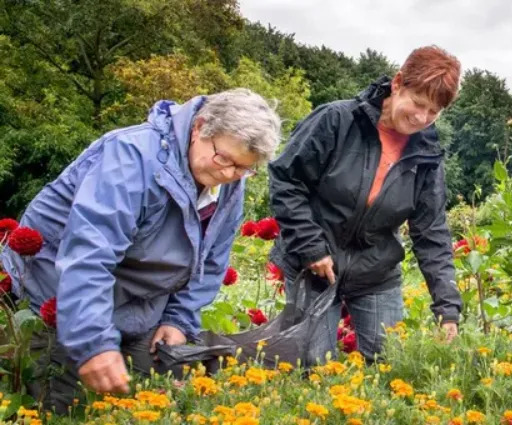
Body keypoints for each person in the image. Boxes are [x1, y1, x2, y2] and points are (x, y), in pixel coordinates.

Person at [0, 89, 282, 413]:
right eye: (224, 159)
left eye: (244, 168)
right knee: (61, 407)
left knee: (148, 403)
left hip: (140, 305)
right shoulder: (130, 156)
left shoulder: (229, 179)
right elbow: (89, 255)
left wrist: (178, 319)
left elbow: (212, 258)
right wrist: (94, 342)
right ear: (199, 128)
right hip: (64, 296)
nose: (229, 174)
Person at [268, 45, 463, 365]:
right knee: (315, 367)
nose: (421, 117)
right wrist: (310, 246)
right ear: (398, 83)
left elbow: (431, 232)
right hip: (314, 267)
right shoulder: (337, 121)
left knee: (390, 364)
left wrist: (447, 309)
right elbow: (286, 180)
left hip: (376, 273)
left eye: (433, 112)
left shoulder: (427, 155)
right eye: (417, 103)